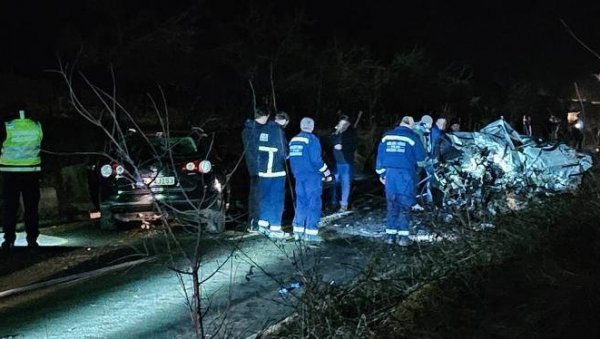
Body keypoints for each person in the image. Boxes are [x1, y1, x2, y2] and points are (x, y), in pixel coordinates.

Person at [376, 116, 426, 246]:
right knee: (404, 203)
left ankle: (390, 236)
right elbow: (421, 156)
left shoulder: (386, 136)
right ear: (410, 125)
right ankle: (403, 237)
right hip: (405, 174)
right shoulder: (413, 137)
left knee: (392, 203)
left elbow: (380, 156)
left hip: (390, 174)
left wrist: (381, 173)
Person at [1, 107, 44, 250]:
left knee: (9, 208)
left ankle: (9, 240)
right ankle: (32, 239)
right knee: (31, 208)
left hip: (10, 174)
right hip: (31, 173)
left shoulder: (7, 126)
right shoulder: (37, 126)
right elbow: (43, 147)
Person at [242, 108, 288, 238]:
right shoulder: (276, 131)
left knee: (263, 199)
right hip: (275, 171)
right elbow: (284, 153)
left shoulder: (253, 130)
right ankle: (275, 227)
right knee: (276, 200)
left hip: (260, 171)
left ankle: (261, 224)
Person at [288, 117, 332, 242]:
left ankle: (298, 231)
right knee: (314, 203)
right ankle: (311, 233)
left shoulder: (293, 140)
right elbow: (316, 161)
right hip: (312, 177)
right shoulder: (312, 140)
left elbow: (291, 159)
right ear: (312, 127)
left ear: (301, 126)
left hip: (298, 176)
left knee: (301, 203)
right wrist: (326, 172)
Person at [328, 115, 357, 212]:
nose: (342, 124)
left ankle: (344, 204)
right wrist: (336, 131)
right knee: (334, 183)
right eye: (341, 122)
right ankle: (333, 202)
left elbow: (353, 145)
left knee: (345, 183)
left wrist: (343, 147)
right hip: (336, 162)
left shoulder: (351, 132)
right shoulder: (336, 132)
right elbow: (331, 139)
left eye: (344, 123)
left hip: (346, 162)